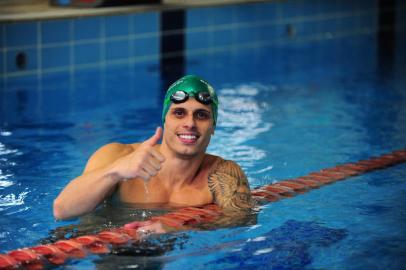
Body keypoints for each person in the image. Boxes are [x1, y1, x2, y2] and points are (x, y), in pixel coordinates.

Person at [53, 75, 253, 230]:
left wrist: (179, 226)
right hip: (92, 242)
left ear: (213, 126)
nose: (190, 123)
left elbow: (242, 218)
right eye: (179, 113)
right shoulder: (116, 155)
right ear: (165, 120)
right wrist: (115, 171)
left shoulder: (223, 173)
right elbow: (62, 210)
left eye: (201, 115)